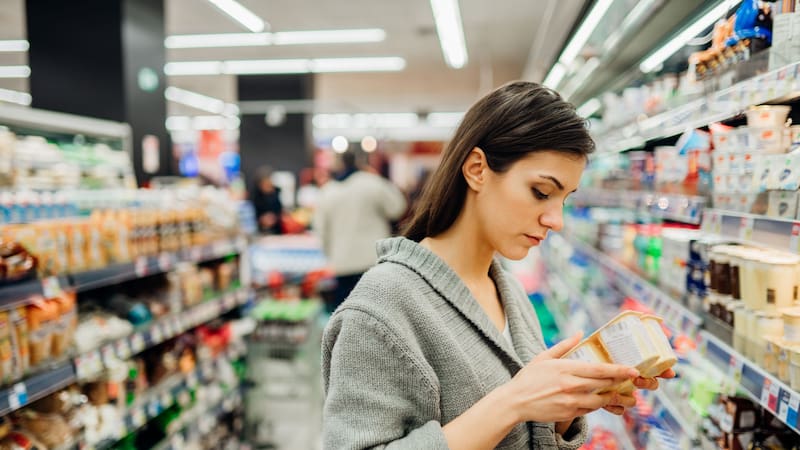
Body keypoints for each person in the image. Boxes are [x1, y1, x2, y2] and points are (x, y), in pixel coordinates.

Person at [321, 81, 674, 449]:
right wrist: (513, 402)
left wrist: (568, 403)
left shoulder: (509, 291)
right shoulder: (381, 307)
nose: (556, 220)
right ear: (477, 169)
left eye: (564, 199)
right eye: (541, 192)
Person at [314, 151, 407, 313]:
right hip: (373, 260)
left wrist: (331, 256)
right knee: (377, 314)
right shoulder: (372, 183)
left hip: (342, 263)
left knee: (345, 315)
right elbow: (397, 207)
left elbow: (321, 230)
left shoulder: (328, 191)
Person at [251, 166, 283, 234]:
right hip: (259, 231)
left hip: (276, 230)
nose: (268, 187)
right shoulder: (255, 197)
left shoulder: (277, 194)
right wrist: (261, 219)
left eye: (269, 184)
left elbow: (280, 211)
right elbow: (252, 215)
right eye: (265, 184)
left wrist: (275, 217)